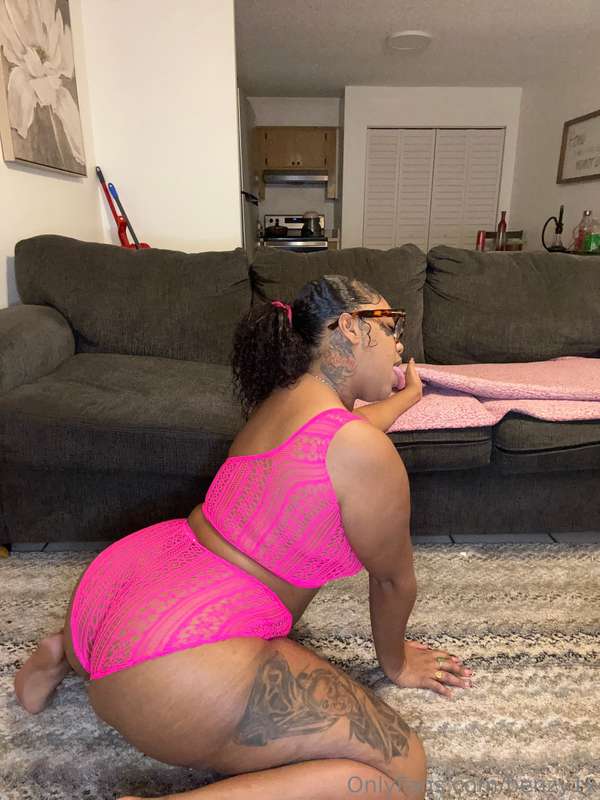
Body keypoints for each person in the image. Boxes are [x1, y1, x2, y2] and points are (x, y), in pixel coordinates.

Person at [14, 274, 474, 800]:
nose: (399, 345)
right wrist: (396, 663)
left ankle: (61, 654)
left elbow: (354, 430)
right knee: (403, 775)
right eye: (391, 326)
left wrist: (407, 398)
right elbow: (393, 581)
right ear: (349, 329)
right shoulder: (361, 451)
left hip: (115, 591)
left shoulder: (281, 404)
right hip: (172, 667)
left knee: (114, 644)